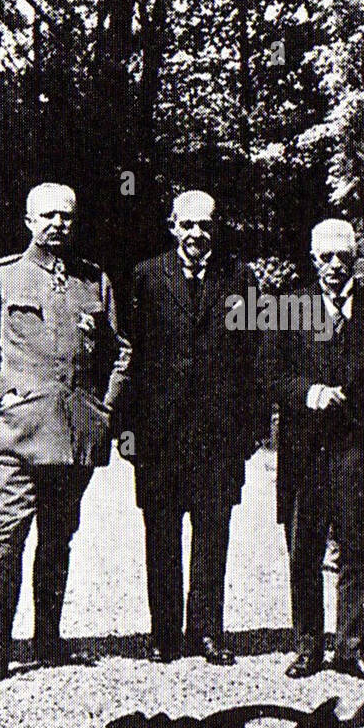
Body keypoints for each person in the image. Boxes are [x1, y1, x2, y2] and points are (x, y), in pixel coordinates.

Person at [0, 183, 130, 682]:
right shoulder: (2, 276)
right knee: (7, 538)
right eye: (47, 216)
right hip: (17, 434)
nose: (58, 224)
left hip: (73, 435)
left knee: (58, 539)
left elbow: (121, 352)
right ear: (29, 221)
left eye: (67, 216)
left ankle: (49, 640)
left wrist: (104, 408)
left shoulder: (93, 281)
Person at [270, 218, 364, 682]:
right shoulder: (290, 308)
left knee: (355, 547)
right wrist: (309, 393)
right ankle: (308, 645)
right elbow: (266, 374)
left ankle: (351, 648)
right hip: (304, 452)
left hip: (358, 452)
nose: (334, 266)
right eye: (325, 257)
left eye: (343, 257)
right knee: (304, 550)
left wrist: (362, 407)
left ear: (356, 259)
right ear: (312, 259)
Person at [127, 190, 264, 664]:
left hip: (218, 436)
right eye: (186, 225)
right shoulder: (145, 276)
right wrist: (128, 430)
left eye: (204, 226)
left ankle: (207, 632)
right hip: (159, 437)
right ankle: (164, 634)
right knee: (160, 535)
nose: (196, 235)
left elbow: (256, 358)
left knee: (212, 535)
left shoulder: (241, 279)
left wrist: (251, 431)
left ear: (215, 228)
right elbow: (131, 358)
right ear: (172, 226)